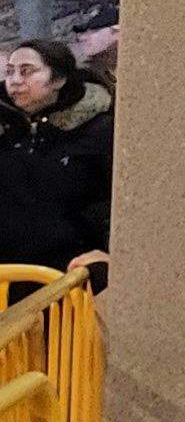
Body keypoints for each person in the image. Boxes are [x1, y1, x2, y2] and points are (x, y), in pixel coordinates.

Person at [0, 37, 114, 272]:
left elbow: (117, 202)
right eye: (10, 72)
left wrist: (112, 254)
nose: (15, 81)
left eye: (27, 71)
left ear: (58, 79)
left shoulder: (99, 131)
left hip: (73, 271)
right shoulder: (5, 131)